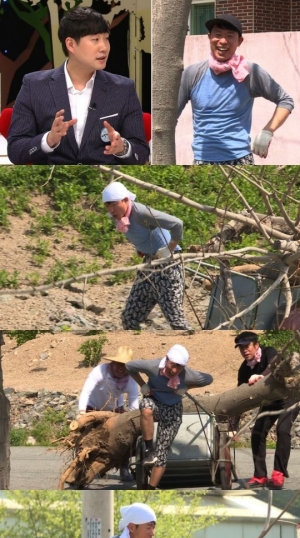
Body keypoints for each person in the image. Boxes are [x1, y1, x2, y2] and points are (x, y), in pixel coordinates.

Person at [7, 7, 149, 165]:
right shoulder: (34, 86)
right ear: (71, 44)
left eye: (106, 38)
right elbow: (15, 151)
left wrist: (123, 148)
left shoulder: (123, 89)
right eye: (95, 39)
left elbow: (141, 152)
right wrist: (49, 140)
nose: (104, 47)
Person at [178, 14, 294, 165]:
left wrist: (268, 131)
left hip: (240, 159)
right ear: (209, 37)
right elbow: (169, 116)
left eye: (230, 36)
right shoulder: (192, 73)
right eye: (218, 35)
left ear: (240, 41)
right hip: (202, 159)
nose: (223, 41)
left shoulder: (250, 72)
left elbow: (285, 101)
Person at [102, 181, 191, 331]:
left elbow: (177, 224)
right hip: (149, 265)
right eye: (107, 205)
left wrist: (169, 248)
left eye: (114, 204)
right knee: (130, 318)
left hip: (169, 264)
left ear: (125, 200)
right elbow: (138, 234)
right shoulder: (116, 216)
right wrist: (141, 248)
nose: (111, 210)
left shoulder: (141, 213)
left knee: (176, 321)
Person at [125, 344, 213, 489]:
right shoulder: (152, 366)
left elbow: (208, 379)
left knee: (161, 455)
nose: (174, 370)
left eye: (179, 367)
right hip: (154, 401)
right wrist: (142, 384)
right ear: (166, 359)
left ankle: (150, 489)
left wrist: (186, 387)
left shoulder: (187, 374)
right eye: (173, 365)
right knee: (146, 408)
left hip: (173, 410)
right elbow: (129, 366)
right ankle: (148, 450)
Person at [234, 331, 300, 489]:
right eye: (241, 348)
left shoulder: (269, 351)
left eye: (247, 346)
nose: (244, 350)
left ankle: (278, 474)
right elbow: (239, 398)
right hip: (270, 401)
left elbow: (273, 367)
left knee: (283, 430)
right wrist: (234, 426)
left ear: (256, 345)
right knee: (257, 432)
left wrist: (259, 376)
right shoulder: (244, 369)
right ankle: (260, 476)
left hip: (289, 396)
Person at [78, 345, 139, 482]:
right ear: (113, 362)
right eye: (118, 364)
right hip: (92, 407)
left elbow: (134, 400)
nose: (120, 368)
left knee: (126, 438)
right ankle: (83, 467)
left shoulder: (131, 379)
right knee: (87, 438)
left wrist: (133, 419)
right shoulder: (99, 371)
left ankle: (124, 467)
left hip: (115, 409)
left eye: (124, 365)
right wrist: (82, 413)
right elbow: (86, 391)